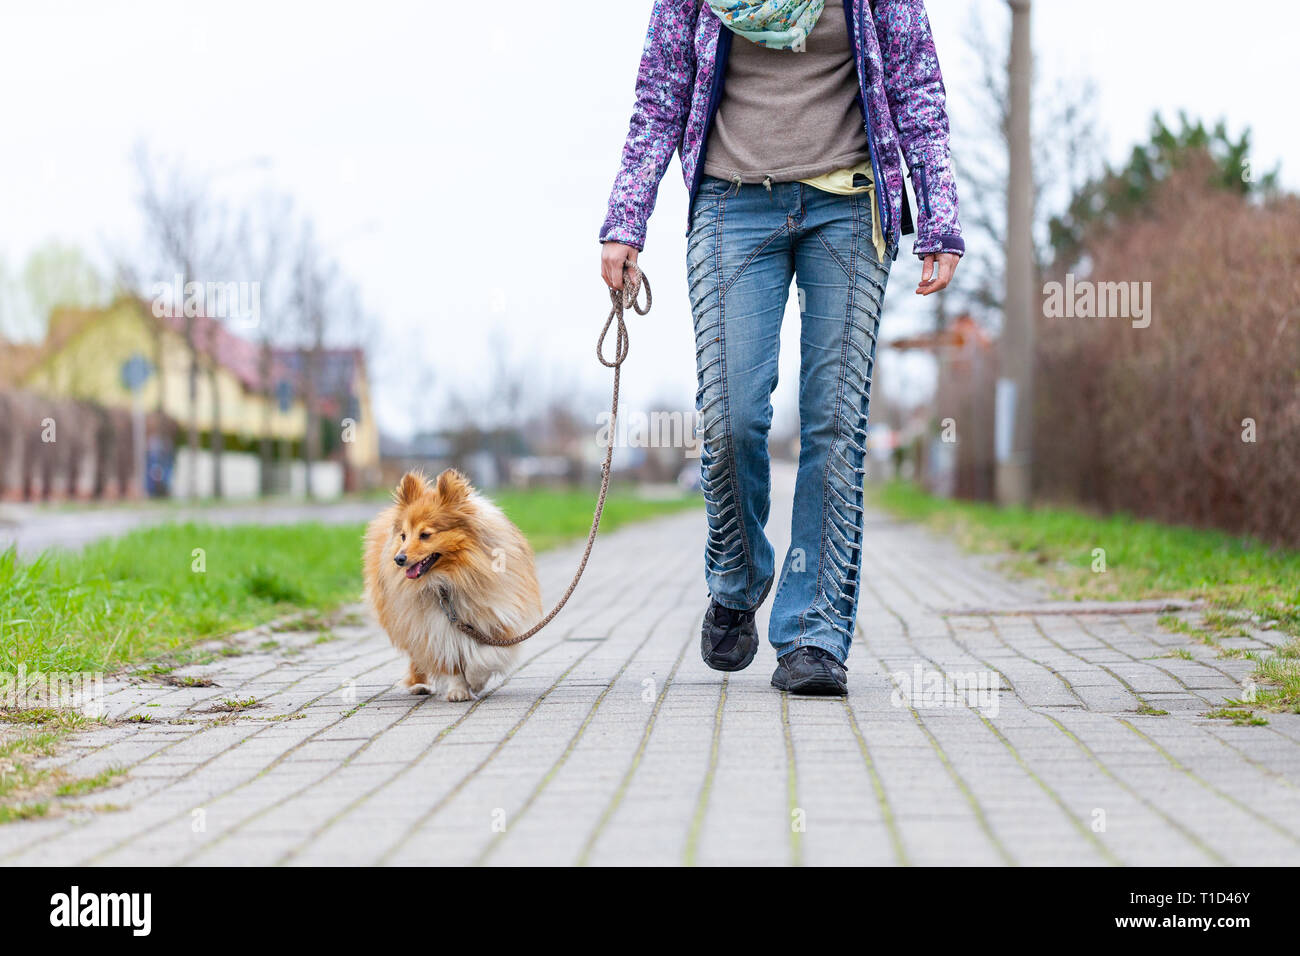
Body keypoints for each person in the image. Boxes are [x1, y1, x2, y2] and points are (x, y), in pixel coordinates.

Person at [599, 0, 963, 695]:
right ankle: (737, 578)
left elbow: (917, 84)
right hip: (730, 204)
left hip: (850, 206)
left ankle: (814, 634)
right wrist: (626, 220)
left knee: (834, 425)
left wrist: (939, 216)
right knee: (732, 418)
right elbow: (661, 92)